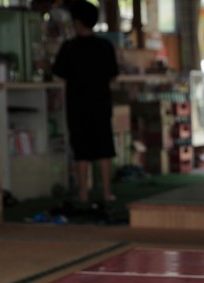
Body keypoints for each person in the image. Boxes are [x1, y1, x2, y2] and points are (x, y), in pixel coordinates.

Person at [52, 0, 119, 204]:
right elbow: (113, 74)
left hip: (77, 105)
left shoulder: (69, 47)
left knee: (81, 150)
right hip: (101, 104)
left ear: (78, 22)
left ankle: (83, 193)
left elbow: (58, 72)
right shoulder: (105, 46)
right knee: (104, 149)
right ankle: (107, 193)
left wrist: (45, 65)